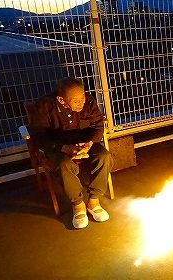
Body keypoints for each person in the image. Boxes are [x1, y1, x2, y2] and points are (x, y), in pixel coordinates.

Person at [29, 77, 112, 229]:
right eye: (75, 100)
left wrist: (90, 143)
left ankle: (94, 200)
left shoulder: (88, 102)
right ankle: (78, 204)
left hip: (83, 143)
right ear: (61, 99)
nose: (81, 103)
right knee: (64, 164)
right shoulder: (44, 106)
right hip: (57, 146)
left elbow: (98, 125)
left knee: (104, 156)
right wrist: (64, 148)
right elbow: (39, 137)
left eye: (83, 97)